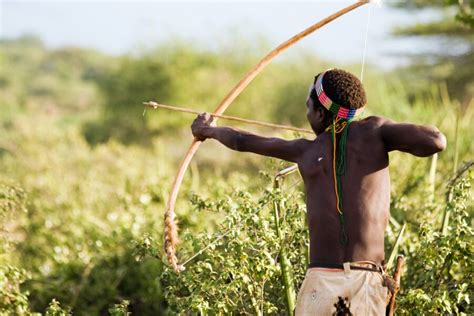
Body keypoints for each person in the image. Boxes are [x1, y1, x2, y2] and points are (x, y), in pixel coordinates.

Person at [190, 68, 446, 315]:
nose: (307, 113)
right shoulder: (373, 132)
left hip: (321, 284)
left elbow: (241, 141)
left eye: (308, 107)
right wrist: (378, 131)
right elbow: (436, 140)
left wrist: (208, 130)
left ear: (321, 115)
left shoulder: (307, 151)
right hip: (362, 282)